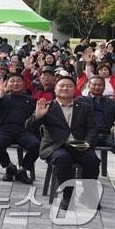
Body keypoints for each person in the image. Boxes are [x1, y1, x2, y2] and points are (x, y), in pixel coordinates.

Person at [27, 76, 99, 211]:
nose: (65, 88)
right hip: (56, 146)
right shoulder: (47, 106)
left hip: (79, 145)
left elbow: (92, 128)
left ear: (75, 90)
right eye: (61, 86)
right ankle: (67, 194)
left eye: (69, 86)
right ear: (55, 89)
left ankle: (88, 194)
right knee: (63, 158)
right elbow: (29, 128)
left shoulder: (85, 107)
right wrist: (38, 116)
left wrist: (87, 143)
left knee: (92, 160)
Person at [0, 72, 39, 184]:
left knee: (36, 145)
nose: (15, 83)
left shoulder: (30, 100)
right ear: (7, 84)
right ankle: (9, 166)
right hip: (4, 129)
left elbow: (34, 119)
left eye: (18, 81)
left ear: (24, 84)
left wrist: (39, 115)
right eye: (12, 81)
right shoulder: (2, 98)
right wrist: (1, 94)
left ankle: (23, 169)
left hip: (23, 130)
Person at [76, 75, 115, 152]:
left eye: (100, 85)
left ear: (104, 87)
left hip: (106, 135)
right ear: (89, 85)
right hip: (88, 135)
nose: (97, 87)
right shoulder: (80, 101)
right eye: (94, 85)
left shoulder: (111, 102)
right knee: (79, 149)